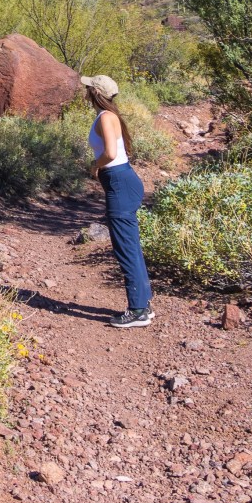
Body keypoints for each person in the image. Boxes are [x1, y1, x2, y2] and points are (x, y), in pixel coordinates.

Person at [84, 74, 154, 328]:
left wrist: (95, 165)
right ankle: (143, 303)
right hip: (124, 180)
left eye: (89, 88)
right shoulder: (110, 115)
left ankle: (137, 310)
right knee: (131, 245)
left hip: (118, 182)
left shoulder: (105, 117)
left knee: (124, 247)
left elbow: (111, 153)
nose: (86, 91)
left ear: (95, 93)